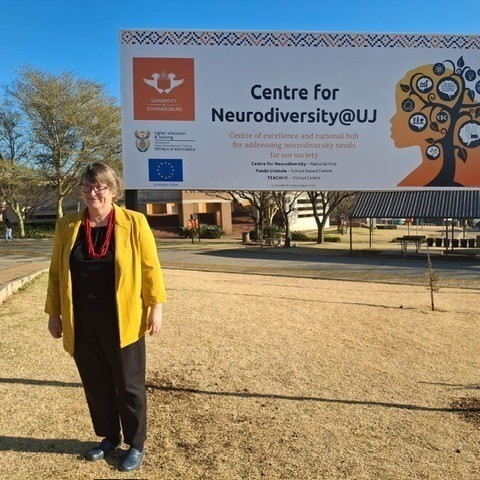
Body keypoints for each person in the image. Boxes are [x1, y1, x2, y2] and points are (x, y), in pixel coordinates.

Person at [45, 163, 166, 472]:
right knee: (96, 383)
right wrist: (54, 313)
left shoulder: (134, 222)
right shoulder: (68, 226)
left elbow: (150, 267)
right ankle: (109, 437)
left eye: (99, 186)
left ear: (114, 191)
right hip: (82, 321)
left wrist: (156, 306)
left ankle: (136, 443)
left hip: (122, 319)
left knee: (129, 384)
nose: (92, 192)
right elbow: (57, 274)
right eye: (86, 187)